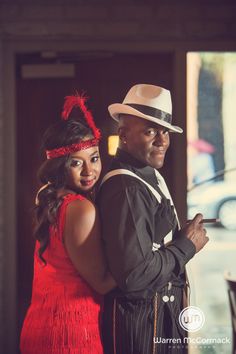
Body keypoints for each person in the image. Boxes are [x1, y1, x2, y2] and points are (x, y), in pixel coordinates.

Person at [97, 84, 209, 354]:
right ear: (123, 135)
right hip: (141, 325)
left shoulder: (146, 171)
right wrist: (186, 246)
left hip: (158, 317)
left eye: (165, 132)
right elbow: (135, 276)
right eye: (150, 131)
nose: (162, 140)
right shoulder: (127, 187)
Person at [20, 93, 116, 354]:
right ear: (60, 165)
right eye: (76, 163)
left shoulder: (45, 194)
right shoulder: (81, 209)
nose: (89, 171)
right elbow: (103, 283)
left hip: (37, 326)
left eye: (94, 158)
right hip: (71, 333)